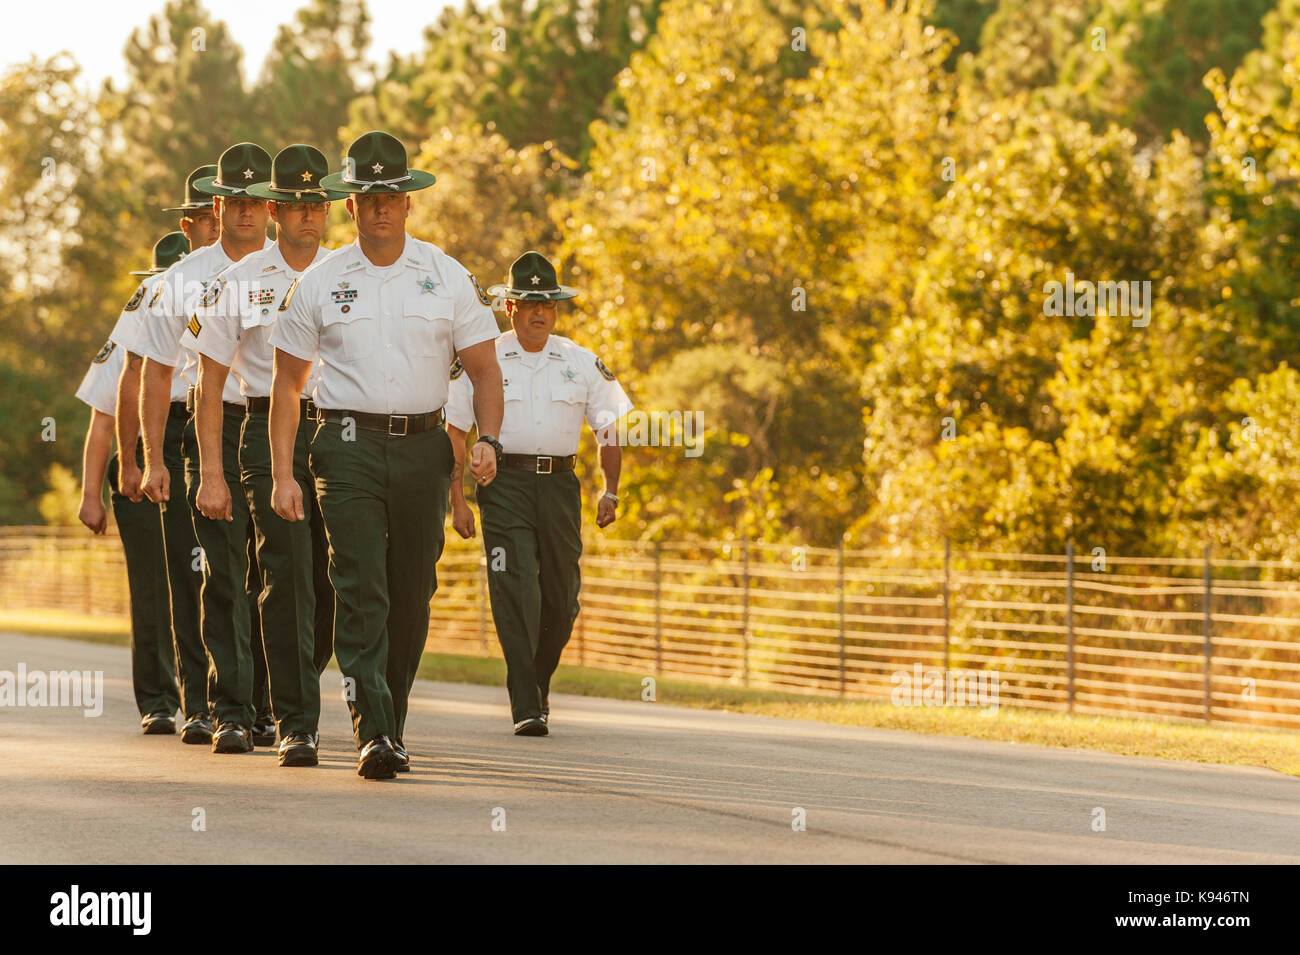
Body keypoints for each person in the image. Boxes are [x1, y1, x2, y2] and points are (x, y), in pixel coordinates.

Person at [269, 130, 504, 779]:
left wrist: (486, 440)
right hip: (345, 450)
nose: (380, 207)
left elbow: (486, 371)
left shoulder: (447, 276)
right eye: (368, 195)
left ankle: (390, 721)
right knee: (360, 584)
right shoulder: (321, 281)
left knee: (411, 590)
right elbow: (287, 384)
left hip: (426, 448)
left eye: (391, 195)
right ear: (351, 204)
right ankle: (372, 728)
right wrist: (283, 471)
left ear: (407, 202)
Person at [185, 144, 345, 768]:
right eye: (297, 204)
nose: (309, 215)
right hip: (260, 432)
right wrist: (211, 473)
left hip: (338, 434)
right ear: (276, 209)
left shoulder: (346, 273)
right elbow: (209, 381)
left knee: (333, 585)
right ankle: (293, 721)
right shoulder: (238, 284)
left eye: (318, 203)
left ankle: (273, 693)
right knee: (283, 577)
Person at [446, 251, 632, 735]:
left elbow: (608, 428)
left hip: (559, 487)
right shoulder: (482, 358)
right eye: (528, 303)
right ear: (510, 307)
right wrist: (457, 497)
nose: (538, 313)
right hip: (502, 483)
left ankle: (537, 681)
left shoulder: (581, 361)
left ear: (556, 310)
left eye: (547, 304)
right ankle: (526, 702)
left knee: (562, 597)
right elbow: (455, 430)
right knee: (514, 587)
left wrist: (611, 490)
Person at [137, 143, 275, 754]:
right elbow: (157, 371)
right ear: (216, 205)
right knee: (215, 573)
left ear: (269, 205)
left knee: (274, 577)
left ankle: (272, 703)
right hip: (206, 428)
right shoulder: (183, 277)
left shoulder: (291, 265)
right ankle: (222, 708)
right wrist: (154, 456)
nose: (245, 211)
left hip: (277, 429)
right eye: (234, 200)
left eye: (255, 200)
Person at [76, 234, 192, 734]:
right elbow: (103, 419)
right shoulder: (127, 339)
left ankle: (212, 696)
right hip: (141, 456)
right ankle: (159, 700)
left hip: (199, 447)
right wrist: (91, 494)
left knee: (204, 582)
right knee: (152, 587)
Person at [115, 175, 216, 744]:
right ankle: (190, 699)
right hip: (173, 426)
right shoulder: (161, 289)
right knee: (184, 572)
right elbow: (133, 379)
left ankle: (249, 699)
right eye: (206, 216)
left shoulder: (262, 277)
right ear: (191, 224)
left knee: (242, 572)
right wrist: (133, 460)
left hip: (234, 425)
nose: (218, 223)